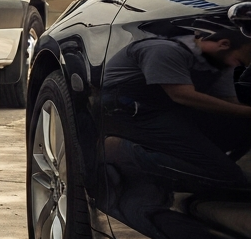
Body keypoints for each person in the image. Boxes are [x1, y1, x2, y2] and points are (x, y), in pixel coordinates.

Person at [102, 28, 251, 188]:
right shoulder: (164, 50)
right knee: (228, 177)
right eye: (239, 62)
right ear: (223, 44)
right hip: (135, 113)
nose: (238, 67)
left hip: (170, 111)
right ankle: (123, 152)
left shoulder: (217, 64)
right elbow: (182, 95)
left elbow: (228, 100)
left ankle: (205, 159)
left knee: (242, 126)